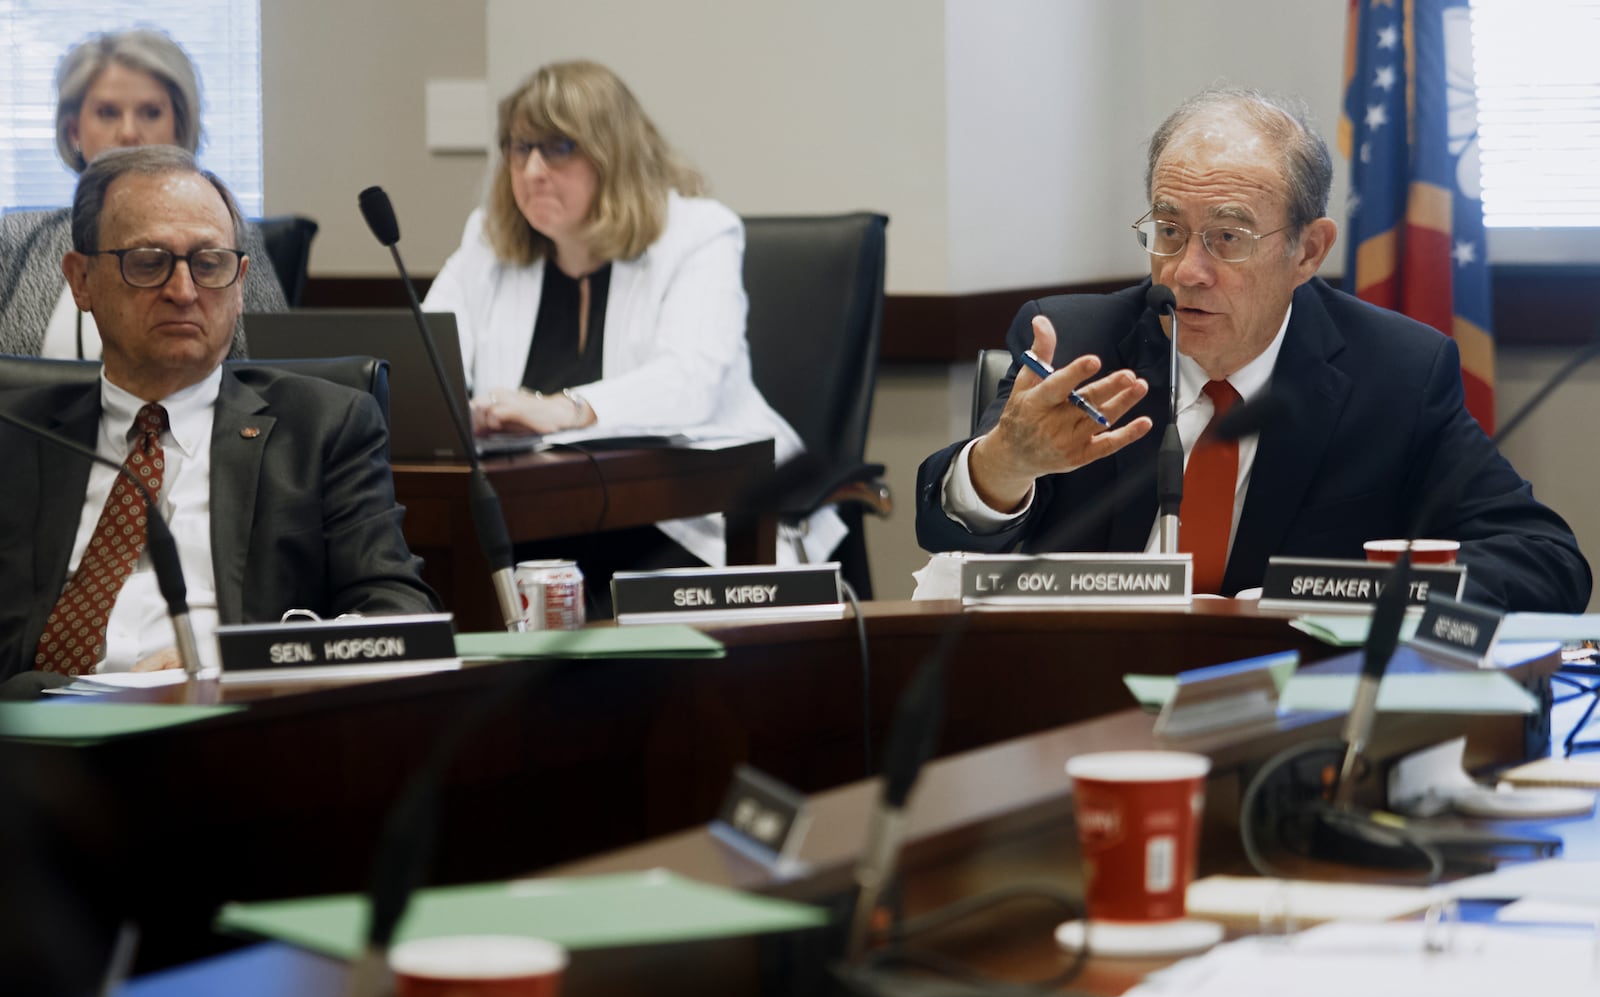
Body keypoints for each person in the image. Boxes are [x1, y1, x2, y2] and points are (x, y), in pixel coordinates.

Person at [916, 87, 1589, 614]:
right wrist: (1001, 468)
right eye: (1169, 230)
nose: (1186, 270)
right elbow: (945, 530)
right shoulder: (1074, 345)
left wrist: (1368, 594)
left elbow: (1545, 559)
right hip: (1080, 702)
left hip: (1285, 720)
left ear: (1308, 250)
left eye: (1228, 238)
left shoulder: (1396, 375)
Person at [0, 145, 438, 694]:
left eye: (209, 264)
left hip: (232, 728)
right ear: (81, 279)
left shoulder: (324, 426)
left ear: (239, 285)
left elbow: (398, 618)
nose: (183, 292)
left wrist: (231, 660)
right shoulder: (17, 436)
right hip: (33, 739)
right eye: (148, 262)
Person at [423, 59, 843, 606]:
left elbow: (691, 380)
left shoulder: (698, 234)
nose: (531, 171)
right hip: (532, 529)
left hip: (686, 522)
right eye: (519, 148)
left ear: (612, 155)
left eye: (558, 148)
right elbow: (427, 359)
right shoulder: (487, 241)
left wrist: (567, 408)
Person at [0, 27, 286, 361]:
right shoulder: (16, 237)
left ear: (179, 128)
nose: (129, 132)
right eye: (107, 112)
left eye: (150, 112)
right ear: (74, 130)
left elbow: (272, 376)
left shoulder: (232, 239)